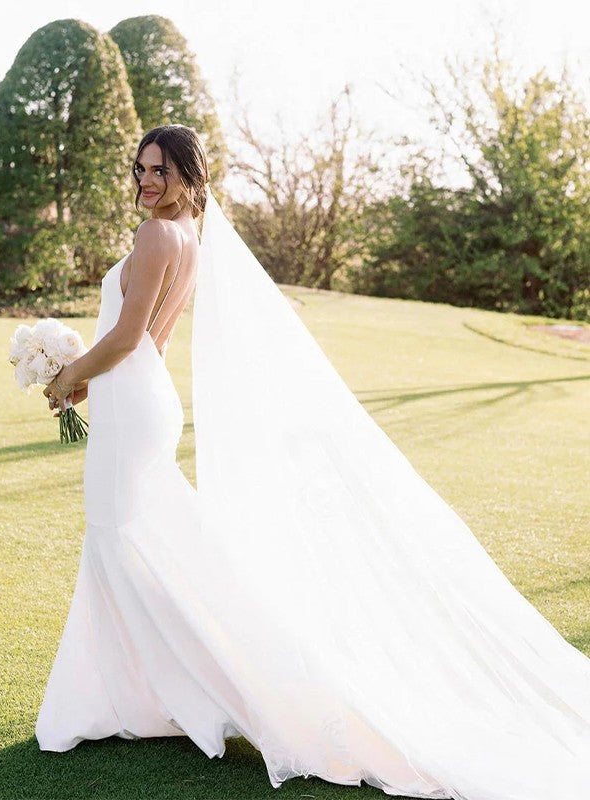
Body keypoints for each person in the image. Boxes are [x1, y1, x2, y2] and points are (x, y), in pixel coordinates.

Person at [37, 124, 590, 800]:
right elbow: (147, 338)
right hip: (141, 396)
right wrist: (94, 375)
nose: (147, 181)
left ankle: (180, 691)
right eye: (141, 169)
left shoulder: (156, 235)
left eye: (161, 170)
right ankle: (155, 692)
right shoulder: (188, 237)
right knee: (137, 544)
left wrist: (67, 376)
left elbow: (126, 335)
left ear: (189, 175)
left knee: (121, 540)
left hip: (132, 405)